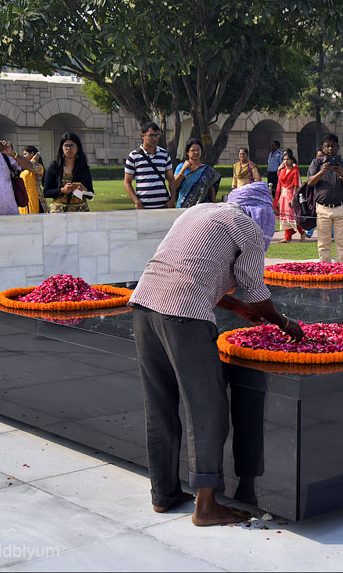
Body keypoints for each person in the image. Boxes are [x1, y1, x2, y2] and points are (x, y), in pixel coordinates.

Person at [128, 197, 304, 526]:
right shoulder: (248, 228)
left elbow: (189, 268)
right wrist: (285, 324)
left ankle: (163, 495)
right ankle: (206, 507)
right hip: (183, 315)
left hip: (143, 305)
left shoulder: (198, 211)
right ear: (262, 215)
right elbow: (258, 292)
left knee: (159, 405)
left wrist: (235, 307)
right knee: (207, 408)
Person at [306, 134, 343, 264]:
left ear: (337, 147)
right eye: (327, 146)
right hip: (323, 208)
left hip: (340, 207)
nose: (330, 148)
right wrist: (321, 172)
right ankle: (325, 268)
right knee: (323, 242)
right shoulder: (316, 163)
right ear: (322, 148)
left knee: (342, 241)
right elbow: (310, 182)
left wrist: (341, 174)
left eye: (332, 146)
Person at [124, 122, 175, 209]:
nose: (154, 139)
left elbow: (171, 179)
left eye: (157, 135)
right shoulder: (134, 156)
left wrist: (172, 199)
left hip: (163, 205)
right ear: (143, 136)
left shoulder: (164, 154)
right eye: (151, 135)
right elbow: (127, 182)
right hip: (143, 206)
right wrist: (137, 202)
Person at [43, 132, 94, 213]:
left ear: (78, 147)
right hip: (59, 211)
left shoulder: (83, 167)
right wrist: (62, 190)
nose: (69, 149)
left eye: (72, 145)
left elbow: (91, 195)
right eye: (66, 145)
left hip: (81, 211)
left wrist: (84, 190)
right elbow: (46, 192)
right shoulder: (55, 166)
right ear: (61, 148)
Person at [174, 138, 220, 208]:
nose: (196, 152)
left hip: (202, 209)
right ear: (187, 152)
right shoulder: (181, 167)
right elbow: (174, 186)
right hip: (183, 207)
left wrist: (215, 206)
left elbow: (211, 190)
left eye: (198, 150)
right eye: (193, 150)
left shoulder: (207, 170)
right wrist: (183, 169)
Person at [274, 150, 305, 242]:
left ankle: (302, 232)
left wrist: (293, 198)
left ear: (292, 160)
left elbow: (296, 185)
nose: (285, 161)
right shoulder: (282, 170)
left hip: (290, 194)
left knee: (291, 216)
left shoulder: (294, 170)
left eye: (287, 159)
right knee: (284, 215)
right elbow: (280, 180)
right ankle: (287, 237)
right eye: (284, 159)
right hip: (283, 194)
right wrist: (279, 169)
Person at [18, 145, 47, 214]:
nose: (24, 156)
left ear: (32, 154)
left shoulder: (39, 167)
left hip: (35, 196)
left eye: (25, 154)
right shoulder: (24, 167)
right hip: (24, 195)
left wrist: (33, 160)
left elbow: (31, 168)